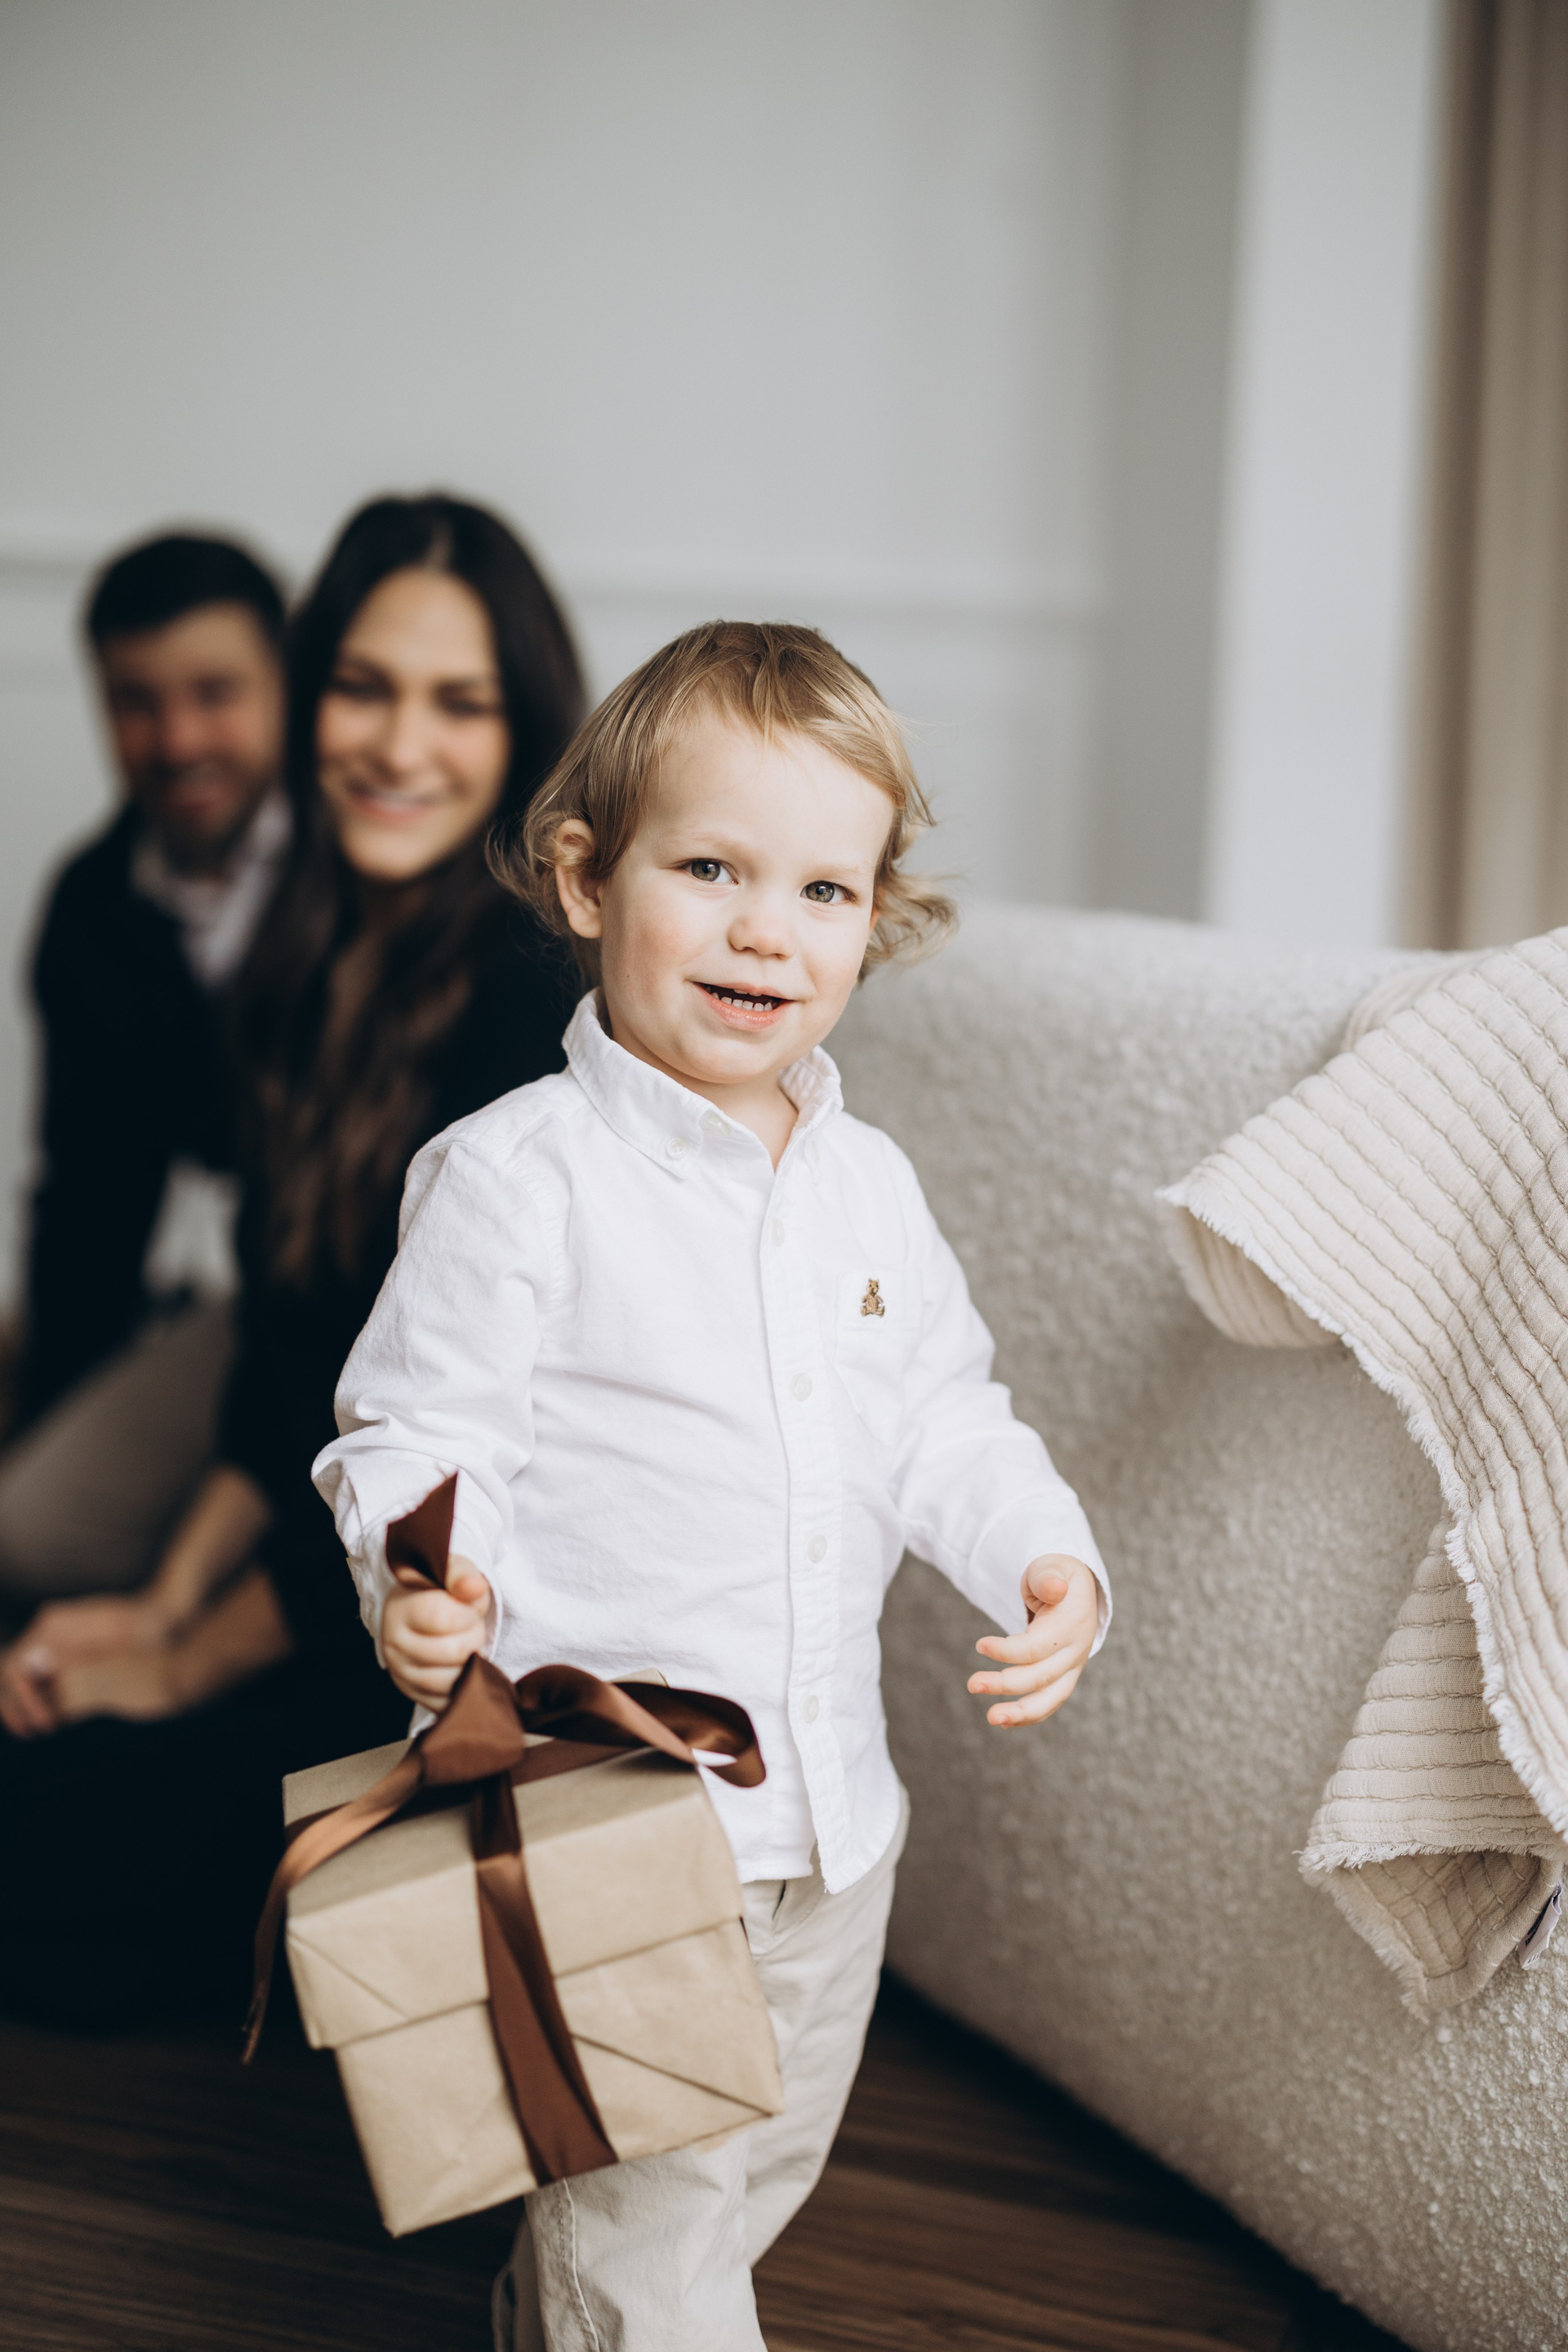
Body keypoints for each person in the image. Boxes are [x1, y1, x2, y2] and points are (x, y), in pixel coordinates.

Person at [314, 620, 1112, 2352]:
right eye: (711, 870)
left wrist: (1045, 1558)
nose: (768, 929)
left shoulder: (869, 1186)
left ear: (874, 922)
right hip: (612, 1817)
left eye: (823, 891)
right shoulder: (520, 1178)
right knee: (653, 2234)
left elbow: (944, 1417)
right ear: (587, 879)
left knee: (742, 2181)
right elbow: (416, 1431)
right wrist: (424, 1571)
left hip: (834, 1829)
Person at [0, 493, 584, 2029]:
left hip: (468, 1613)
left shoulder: (530, 999)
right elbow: (287, 1358)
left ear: (523, 733)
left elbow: (431, 1453)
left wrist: (186, 1663)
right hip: (334, 1561)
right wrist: (160, 1608)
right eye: (365, 688)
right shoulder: (318, 951)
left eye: (459, 704)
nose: (399, 745)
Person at [0, 532, 290, 1605]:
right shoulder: (91, 909)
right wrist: (52, 1419)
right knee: (28, 1532)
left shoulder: (366, 858)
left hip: (405, 1266)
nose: (177, 740)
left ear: (288, 682)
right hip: (271, 1294)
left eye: (215, 693)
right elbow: (87, 1205)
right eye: (136, 702)